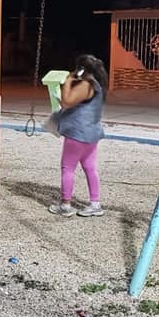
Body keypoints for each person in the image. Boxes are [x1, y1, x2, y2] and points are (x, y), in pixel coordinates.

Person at [48, 54, 106, 217]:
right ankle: (95, 203)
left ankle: (65, 205)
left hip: (78, 133)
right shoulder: (97, 84)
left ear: (81, 69)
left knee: (68, 168)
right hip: (92, 133)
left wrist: (68, 81)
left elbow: (66, 102)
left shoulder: (85, 85)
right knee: (90, 167)